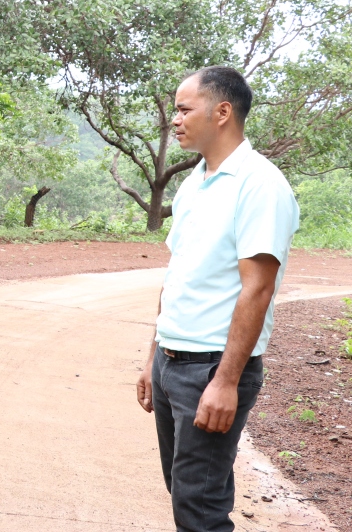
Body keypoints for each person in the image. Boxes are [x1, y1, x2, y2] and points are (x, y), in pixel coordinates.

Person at [136, 66, 300, 532]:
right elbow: (178, 276)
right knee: (185, 491)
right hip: (173, 362)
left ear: (222, 111)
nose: (176, 120)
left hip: (211, 366)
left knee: (200, 508)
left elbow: (259, 288)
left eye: (184, 109)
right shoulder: (195, 183)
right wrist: (153, 356)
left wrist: (226, 381)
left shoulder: (260, 184)